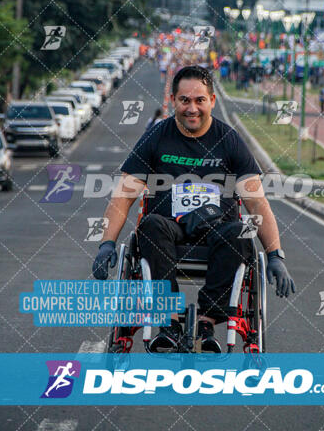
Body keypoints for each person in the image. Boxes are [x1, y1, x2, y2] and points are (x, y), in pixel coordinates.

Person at [93, 65, 295, 352]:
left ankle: (207, 321)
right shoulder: (157, 137)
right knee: (149, 225)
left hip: (219, 231)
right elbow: (123, 197)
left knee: (240, 231)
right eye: (184, 100)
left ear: (212, 101)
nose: (192, 108)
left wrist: (275, 255)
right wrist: (106, 243)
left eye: (199, 100)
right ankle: (170, 321)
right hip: (168, 229)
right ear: (173, 100)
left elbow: (256, 202)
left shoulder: (230, 141)